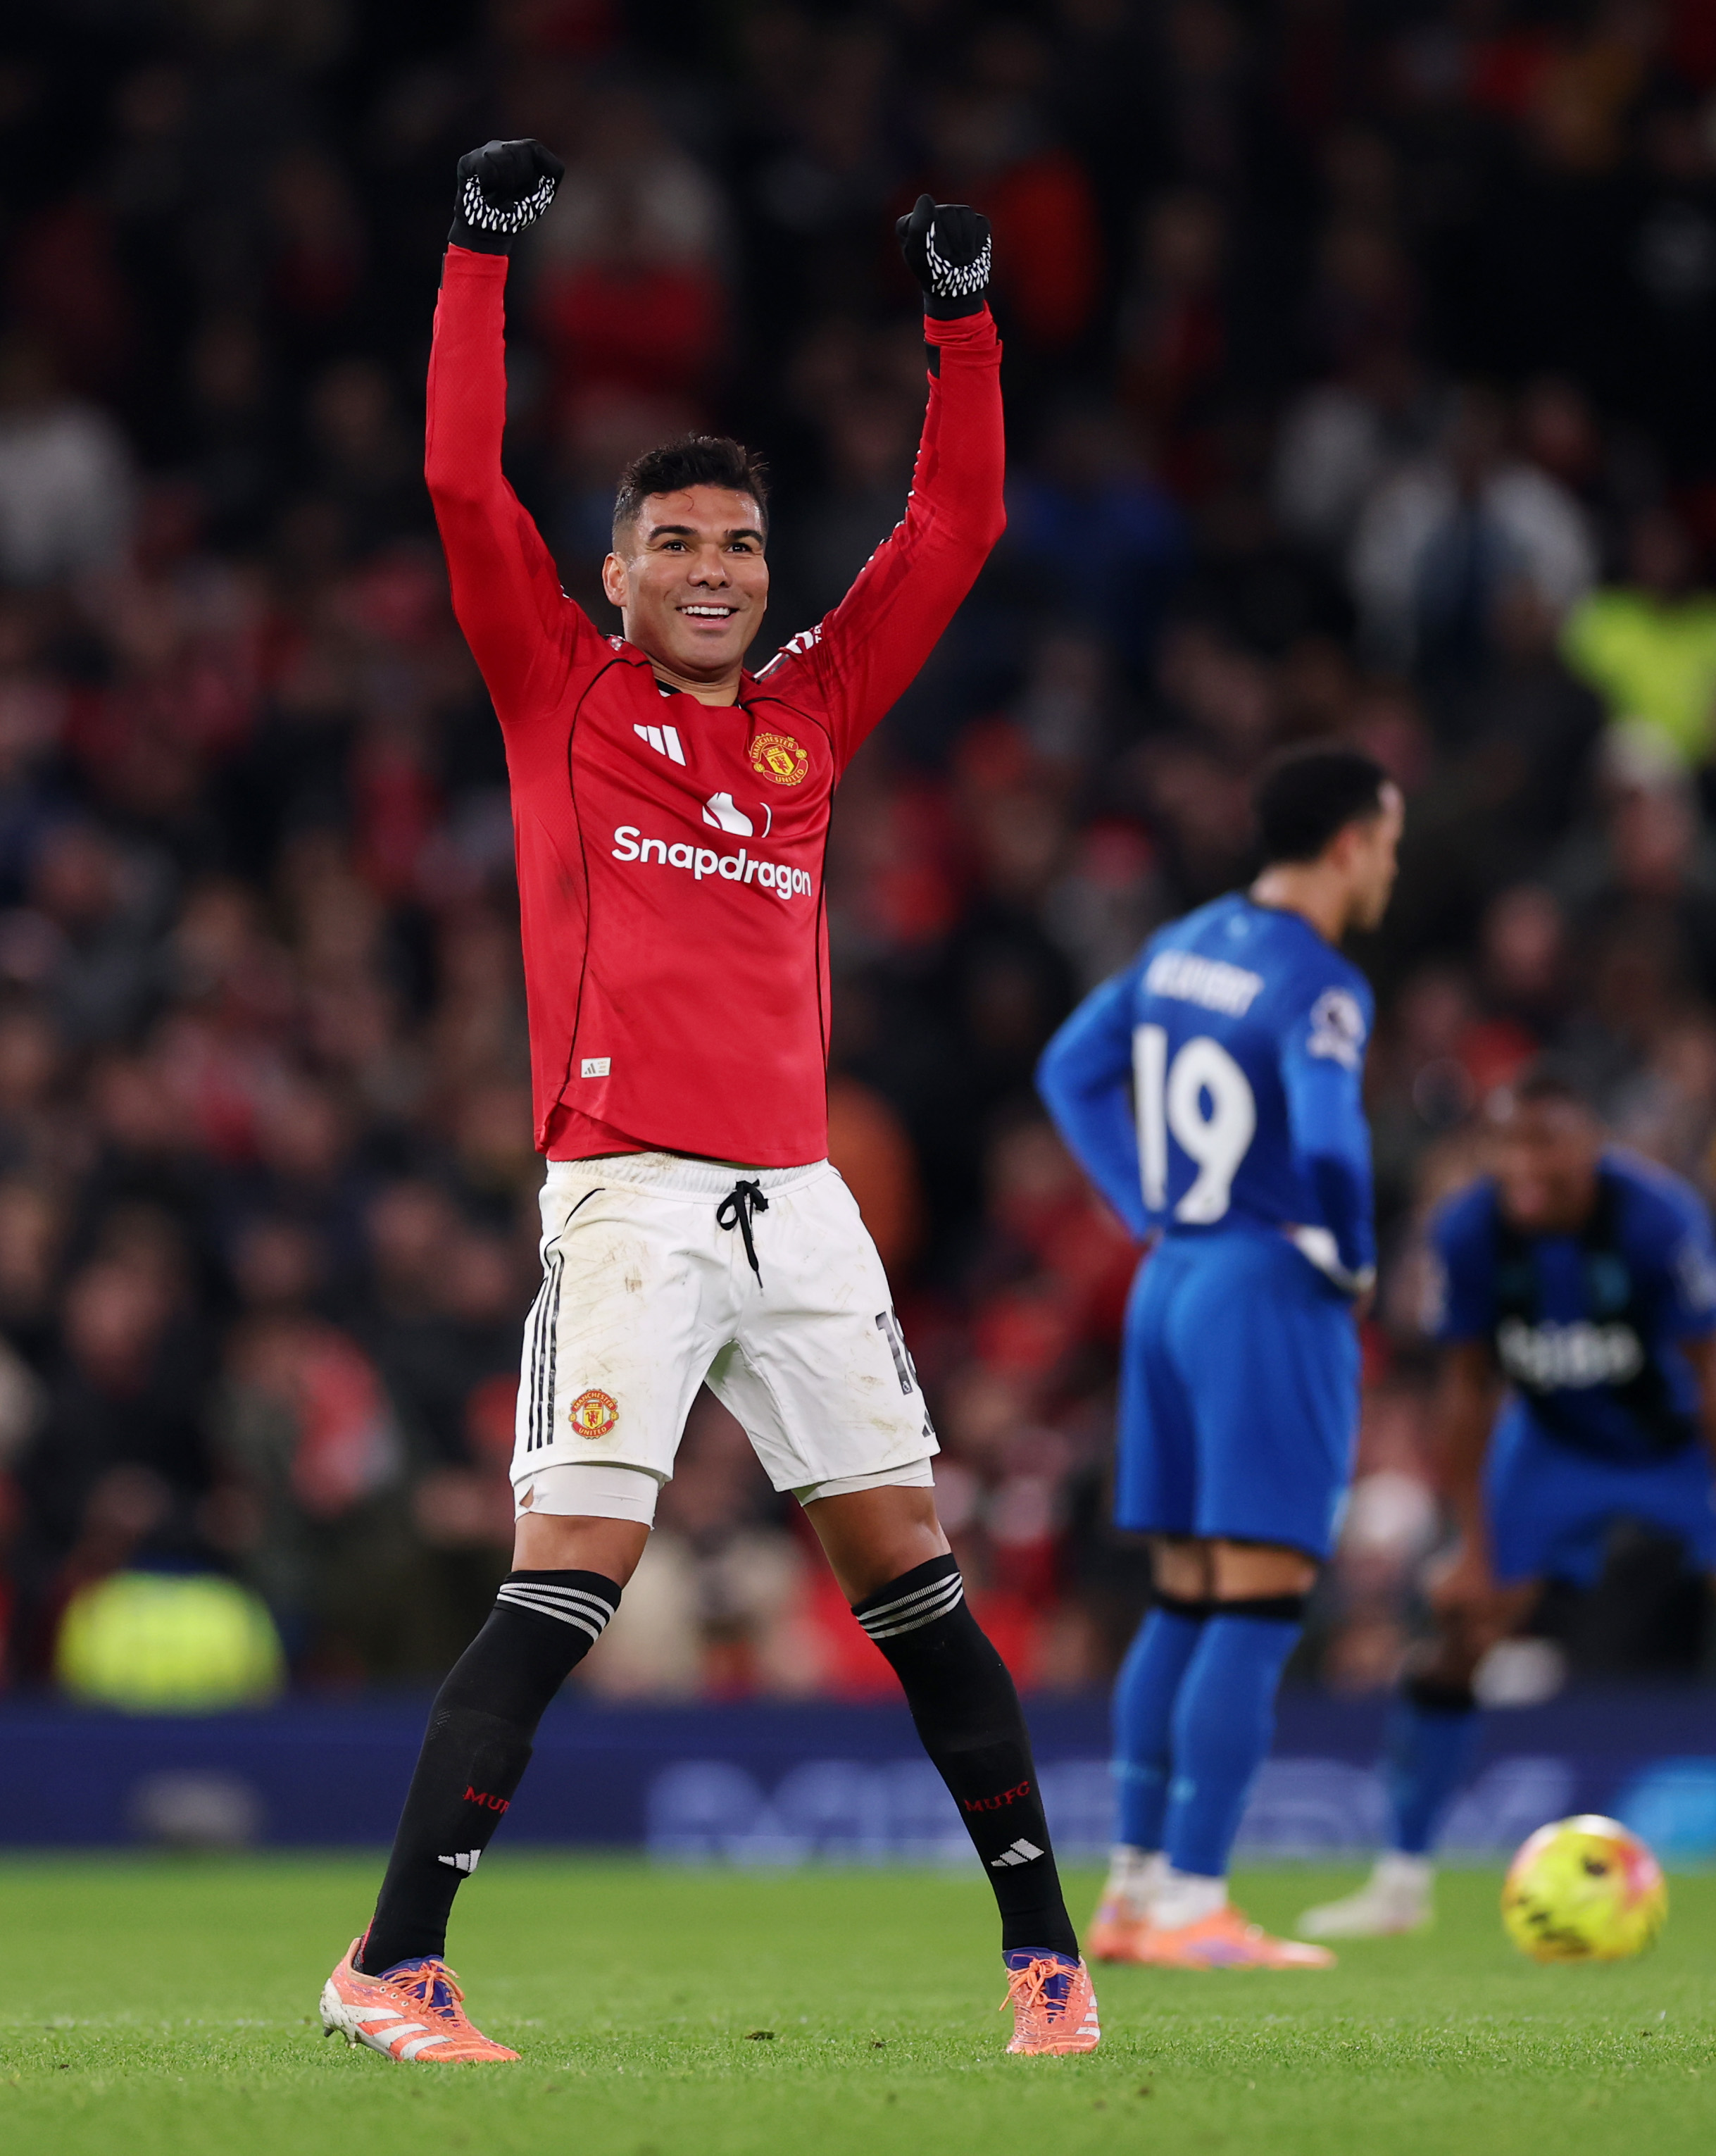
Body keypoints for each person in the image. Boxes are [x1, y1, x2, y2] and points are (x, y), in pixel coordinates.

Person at [318, 141, 1098, 2066]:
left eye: (740, 545)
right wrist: (481, 262)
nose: (714, 570)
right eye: (675, 540)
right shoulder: (558, 693)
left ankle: (1046, 1961)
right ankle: (391, 1964)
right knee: (573, 1570)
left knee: (911, 1575)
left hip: (799, 1204)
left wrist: (965, 324)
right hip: (632, 1199)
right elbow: (451, 477)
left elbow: (956, 528)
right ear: (615, 569)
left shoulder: (808, 721)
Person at [1300, 1074, 1716, 1940]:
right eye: (1511, 1144)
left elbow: (1715, 1377)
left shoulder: (1654, 1219)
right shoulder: (1470, 1230)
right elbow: (1467, 1390)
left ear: (1588, 1144)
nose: (1527, 1165)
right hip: (1551, 1441)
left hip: (1684, 1440)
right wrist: (1470, 1545)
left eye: (1546, 1142)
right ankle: (1396, 1884)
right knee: (1465, 1627)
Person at [1034, 745, 1402, 1968]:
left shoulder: (1185, 941)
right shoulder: (1322, 982)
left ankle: (1137, 1891)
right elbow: (1337, 1143)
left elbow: (1068, 1068)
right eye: (1389, 841)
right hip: (1263, 1288)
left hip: (1172, 1281)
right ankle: (1195, 1896)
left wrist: (1144, 1203)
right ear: (1350, 841)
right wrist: (1350, 1251)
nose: (1391, 865)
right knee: (1256, 1603)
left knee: (1186, 1597)